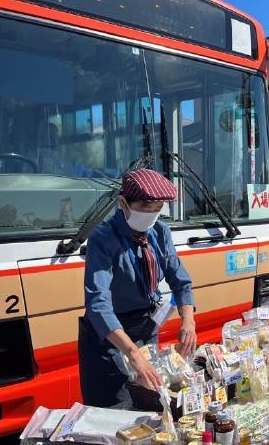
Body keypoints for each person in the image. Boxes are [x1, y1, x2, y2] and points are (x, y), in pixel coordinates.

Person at [79, 168, 197, 407]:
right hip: (111, 337)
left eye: (157, 209)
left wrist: (188, 321)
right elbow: (98, 303)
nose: (151, 216)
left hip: (146, 326)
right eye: (144, 208)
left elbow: (180, 281)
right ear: (123, 202)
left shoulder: (159, 232)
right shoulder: (103, 238)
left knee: (148, 400)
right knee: (114, 408)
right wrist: (132, 353)